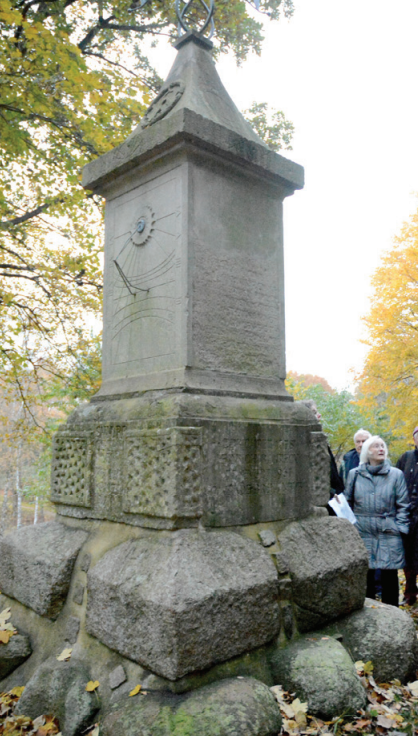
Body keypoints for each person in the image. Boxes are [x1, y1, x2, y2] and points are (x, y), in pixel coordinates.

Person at [345, 436, 409, 607]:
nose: (381, 449)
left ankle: (393, 616)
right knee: (366, 577)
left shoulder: (396, 474)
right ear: (367, 452)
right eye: (376, 446)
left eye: (382, 446)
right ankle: (368, 615)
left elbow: (403, 504)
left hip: (389, 530)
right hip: (363, 530)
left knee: (390, 577)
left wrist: (400, 528)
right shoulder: (355, 474)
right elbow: (348, 501)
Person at [300, 399, 345, 498]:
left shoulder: (320, 440)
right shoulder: (304, 443)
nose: (319, 415)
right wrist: (331, 492)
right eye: (314, 413)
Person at [396, 427, 418, 606]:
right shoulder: (406, 457)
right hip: (408, 516)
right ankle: (410, 594)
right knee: (408, 557)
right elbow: (396, 482)